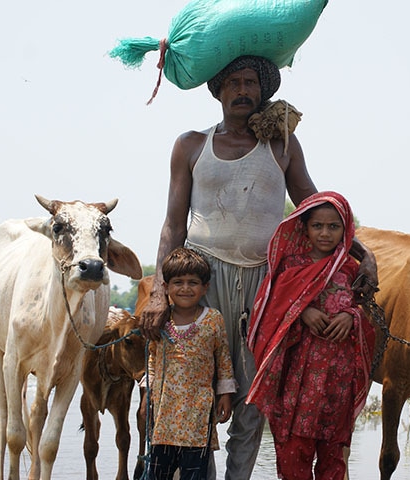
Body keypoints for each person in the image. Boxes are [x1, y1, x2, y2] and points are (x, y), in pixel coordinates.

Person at [139, 55, 378, 480]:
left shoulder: (282, 146)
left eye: (251, 83)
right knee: (198, 384)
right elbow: (173, 224)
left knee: (254, 391)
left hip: (265, 285)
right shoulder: (191, 145)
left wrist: (364, 255)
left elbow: (317, 208)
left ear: (263, 93)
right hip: (202, 280)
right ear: (218, 91)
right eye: (234, 83)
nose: (243, 91)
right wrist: (160, 290)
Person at [245, 191, 375, 479]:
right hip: (297, 381)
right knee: (294, 453)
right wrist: (302, 312)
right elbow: (270, 311)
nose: (325, 233)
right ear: (304, 227)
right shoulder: (290, 267)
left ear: (346, 230)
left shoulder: (352, 270)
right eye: (318, 226)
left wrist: (351, 317)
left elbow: (370, 317)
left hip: (337, 382)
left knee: (333, 458)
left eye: (334, 226)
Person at [146, 247, 236, 480]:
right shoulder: (161, 320)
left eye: (193, 282)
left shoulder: (213, 319)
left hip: (198, 414)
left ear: (204, 287)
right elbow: (153, 358)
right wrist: (148, 393)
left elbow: (224, 359)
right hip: (164, 415)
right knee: (158, 473)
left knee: (194, 474)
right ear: (166, 287)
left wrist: (225, 395)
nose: (185, 288)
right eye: (178, 282)